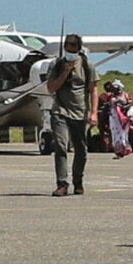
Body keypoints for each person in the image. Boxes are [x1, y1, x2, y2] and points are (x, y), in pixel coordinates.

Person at [42, 32, 92, 196]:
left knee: (80, 149)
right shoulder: (56, 65)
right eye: (67, 49)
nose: (70, 52)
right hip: (60, 111)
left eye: (73, 49)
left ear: (79, 49)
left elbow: (94, 89)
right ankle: (62, 183)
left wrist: (94, 113)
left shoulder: (86, 65)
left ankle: (78, 180)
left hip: (80, 112)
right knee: (61, 146)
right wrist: (64, 72)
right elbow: (51, 88)